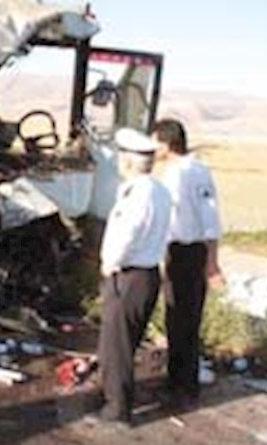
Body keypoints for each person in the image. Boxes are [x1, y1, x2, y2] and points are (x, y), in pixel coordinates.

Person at [91, 127, 172, 427]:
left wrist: (109, 263)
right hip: (147, 273)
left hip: (128, 275)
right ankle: (117, 399)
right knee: (126, 342)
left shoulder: (137, 194)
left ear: (126, 160)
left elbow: (126, 234)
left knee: (116, 348)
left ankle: (117, 410)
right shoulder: (159, 191)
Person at [152, 118, 224, 407]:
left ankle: (186, 386)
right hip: (174, 250)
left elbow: (210, 221)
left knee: (187, 320)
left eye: (155, 141)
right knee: (174, 318)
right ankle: (175, 382)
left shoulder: (195, 172)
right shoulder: (170, 173)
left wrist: (212, 263)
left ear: (167, 143)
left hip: (191, 252)